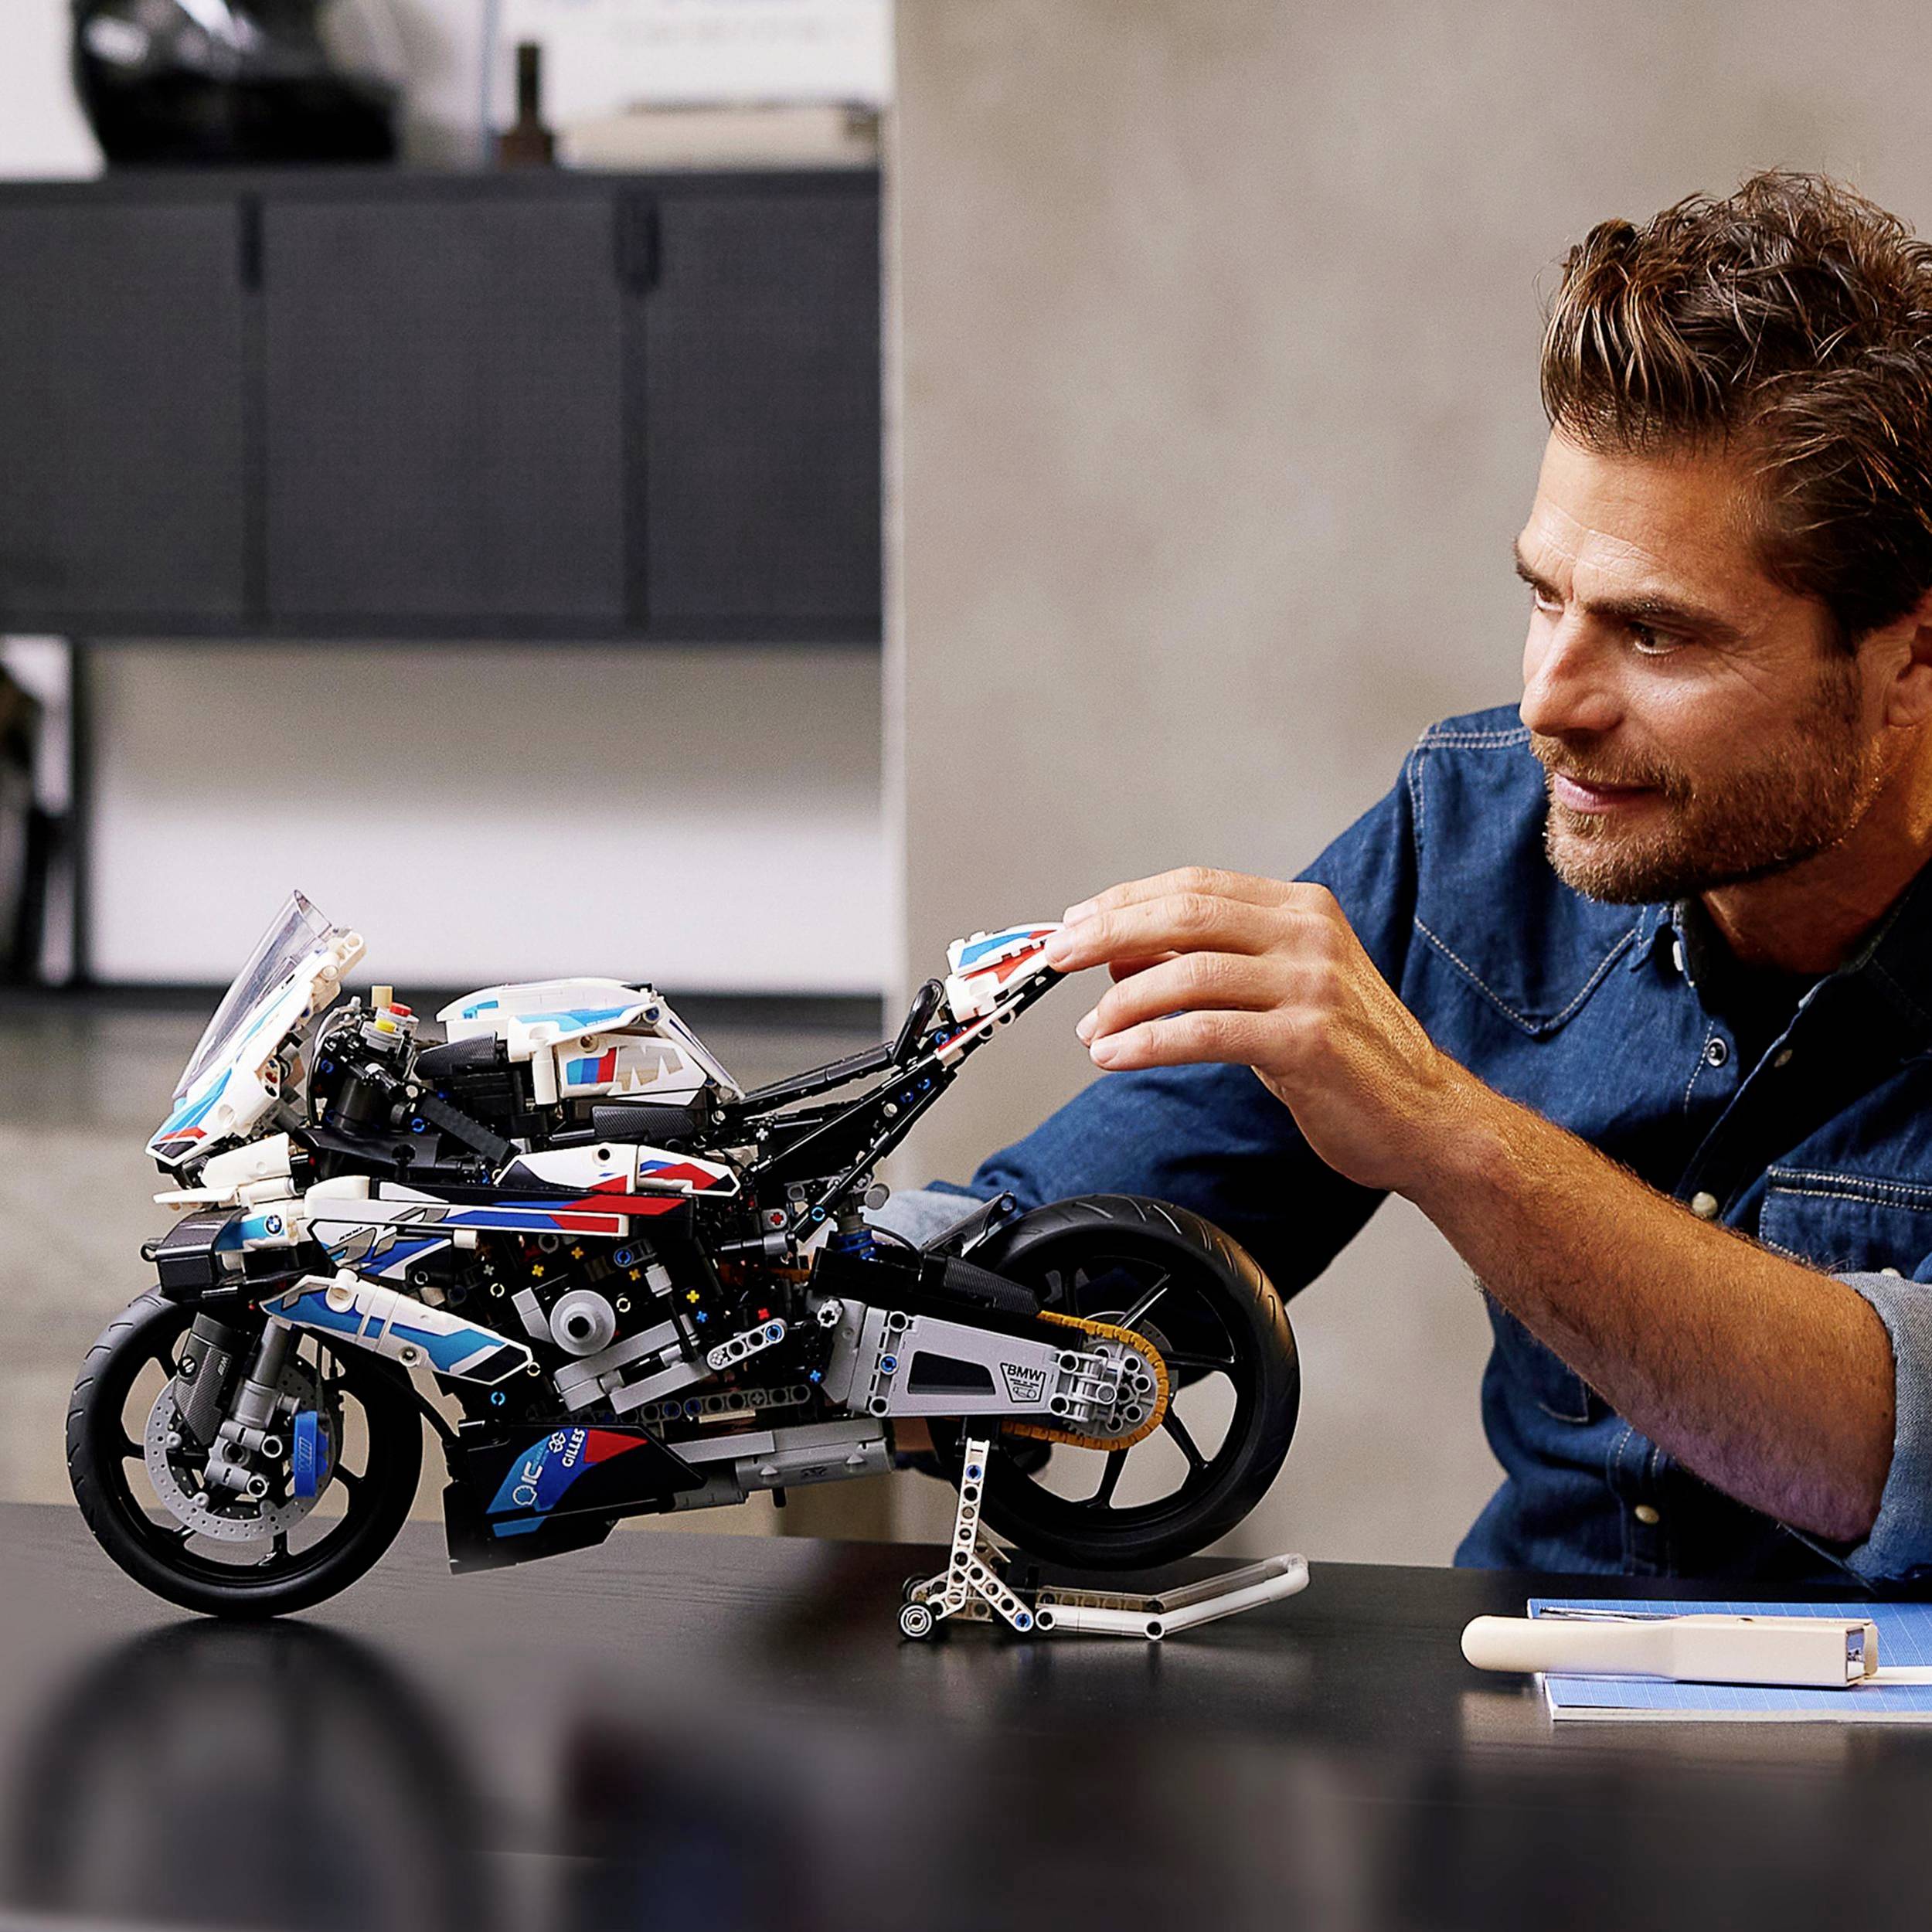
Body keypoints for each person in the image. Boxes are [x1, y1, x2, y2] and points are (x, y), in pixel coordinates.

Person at [889, 171, 1932, 1584]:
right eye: (1544, 596)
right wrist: (755, 1286)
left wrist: (1450, 1132)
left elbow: (1895, 1455)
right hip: (1525, 1734)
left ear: (1908, 653)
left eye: (1660, 635)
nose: (1553, 703)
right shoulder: (1485, 826)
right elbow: (1026, 1287)